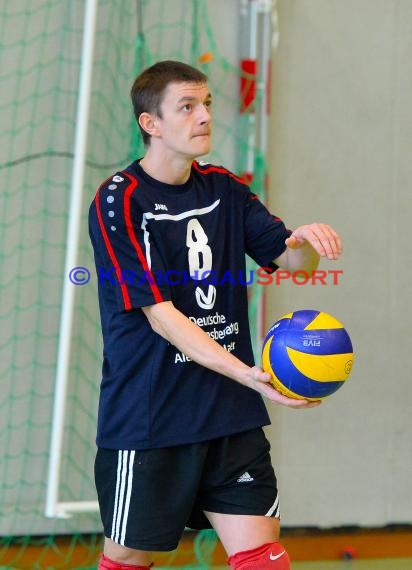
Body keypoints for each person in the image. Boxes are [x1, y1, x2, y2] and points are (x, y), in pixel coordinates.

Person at [88, 60, 342, 570]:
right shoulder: (119, 201)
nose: (204, 115)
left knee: (263, 559)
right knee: (129, 561)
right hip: (151, 419)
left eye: (206, 104)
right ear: (150, 123)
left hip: (228, 415)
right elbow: (161, 316)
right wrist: (248, 374)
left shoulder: (224, 187)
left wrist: (304, 241)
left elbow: (291, 261)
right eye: (187, 106)